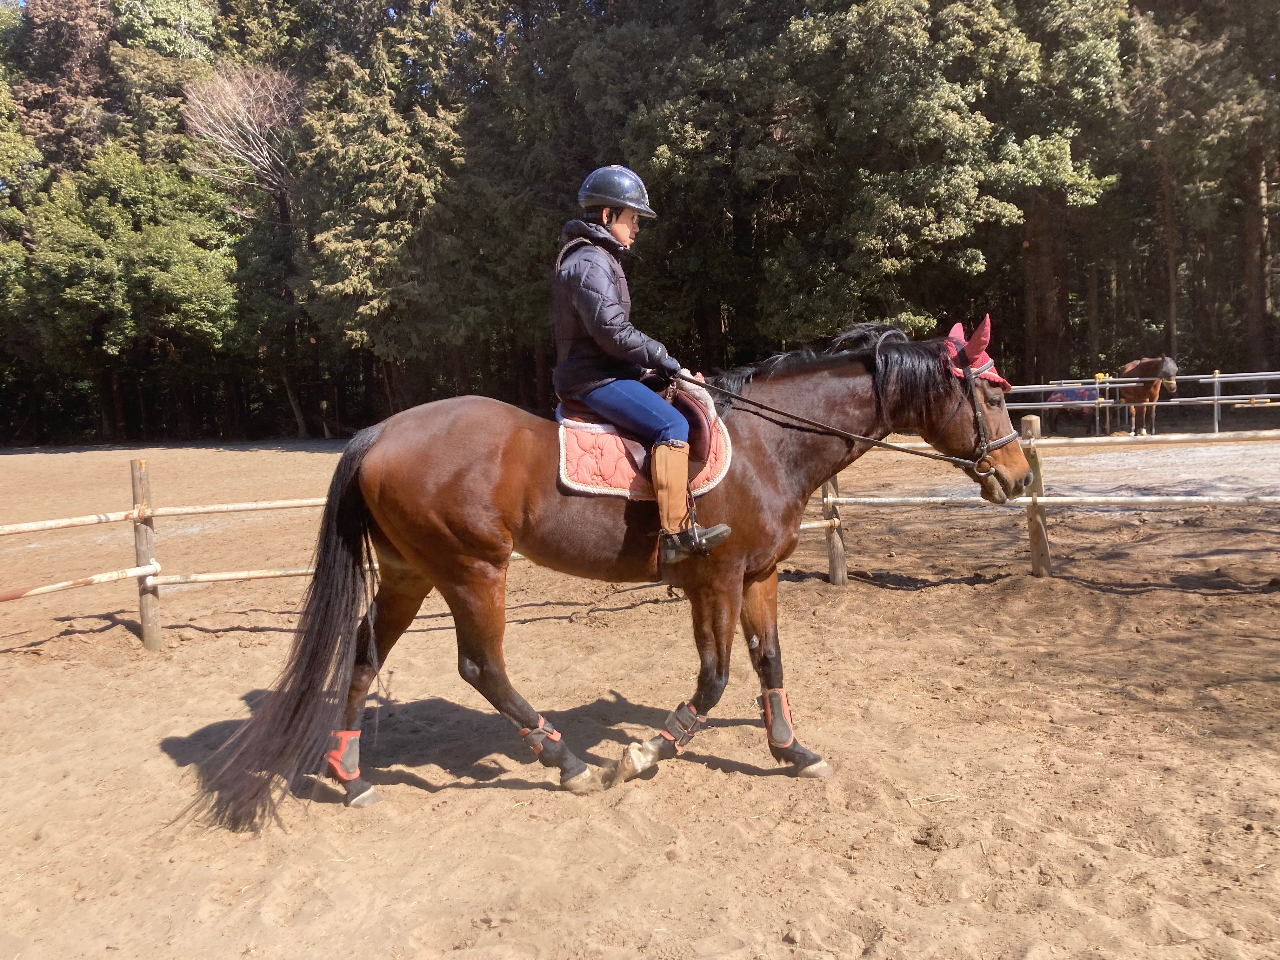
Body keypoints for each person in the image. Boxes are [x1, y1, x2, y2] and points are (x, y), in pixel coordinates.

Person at [551, 165, 730, 566]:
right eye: (632, 219)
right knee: (672, 425)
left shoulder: (597, 259)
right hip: (593, 378)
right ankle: (676, 533)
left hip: (605, 370)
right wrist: (662, 356)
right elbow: (612, 332)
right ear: (607, 216)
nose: (636, 228)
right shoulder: (590, 263)